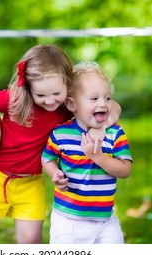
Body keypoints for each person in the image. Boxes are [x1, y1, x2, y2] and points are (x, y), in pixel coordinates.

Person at [0, 45, 120, 244]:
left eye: (56, 93)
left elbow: (114, 106)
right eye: (41, 95)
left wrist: (100, 126)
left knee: (31, 242)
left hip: (30, 184)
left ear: (67, 85)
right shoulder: (14, 99)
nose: (50, 101)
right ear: (28, 87)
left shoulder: (67, 107)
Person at [41, 61, 133, 244]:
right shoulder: (61, 133)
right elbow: (47, 158)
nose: (103, 104)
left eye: (107, 98)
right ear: (72, 105)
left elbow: (125, 170)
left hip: (105, 221)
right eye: (94, 99)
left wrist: (97, 157)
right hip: (68, 220)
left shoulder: (115, 133)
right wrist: (55, 174)